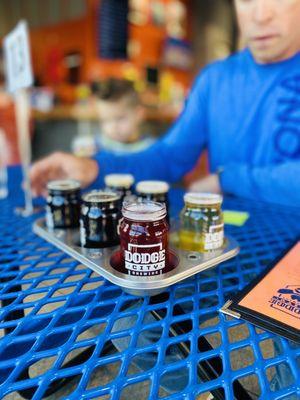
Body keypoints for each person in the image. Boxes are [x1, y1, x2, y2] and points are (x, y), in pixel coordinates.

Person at [30, 0, 300, 395]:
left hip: (292, 250)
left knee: (290, 359)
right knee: (126, 318)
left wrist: (227, 178)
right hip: (220, 241)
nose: (260, 15)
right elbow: (170, 156)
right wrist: (94, 168)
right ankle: (204, 389)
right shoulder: (215, 78)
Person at [93, 78, 155, 154]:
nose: (113, 127)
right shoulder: (96, 147)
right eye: (105, 120)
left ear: (139, 114)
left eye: (120, 118)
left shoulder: (151, 149)